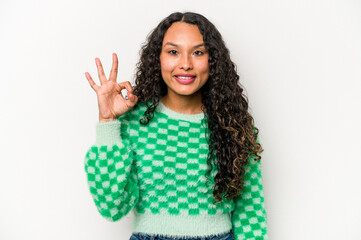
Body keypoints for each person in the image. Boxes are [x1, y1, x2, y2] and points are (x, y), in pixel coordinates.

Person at [84, 12, 268, 240]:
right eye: (173, 52)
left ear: (213, 61)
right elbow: (111, 207)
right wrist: (107, 122)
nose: (185, 64)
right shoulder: (135, 122)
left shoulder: (232, 124)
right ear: (157, 58)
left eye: (198, 52)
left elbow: (250, 212)